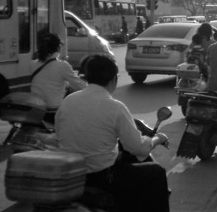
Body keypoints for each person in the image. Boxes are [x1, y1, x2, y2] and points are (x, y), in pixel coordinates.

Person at [55, 55, 170, 212]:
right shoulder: (115, 107)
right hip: (102, 177)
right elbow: (138, 148)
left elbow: (60, 132)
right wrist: (158, 138)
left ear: (87, 77)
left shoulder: (68, 101)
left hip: (72, 174)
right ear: (113, 79)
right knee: (156, 172)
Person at [30, 33, 86, 124]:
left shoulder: (32, 64)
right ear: (58, 48)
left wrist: (66, 85)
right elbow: (80, 86)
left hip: (36, 109)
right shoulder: (62, 66)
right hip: (53, 111)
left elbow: (47, 80)